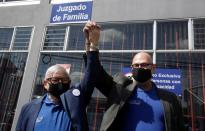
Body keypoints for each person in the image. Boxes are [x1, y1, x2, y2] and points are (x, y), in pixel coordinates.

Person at [83, 21, 185, 131]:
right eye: (136, 65)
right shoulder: (119, 90)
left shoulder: (170, 99)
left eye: (144, 65)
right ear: (132, 69)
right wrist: (92, 45)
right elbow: (95, 73)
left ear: (153, 68)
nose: (140, 68)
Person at [16, 21, 101, 131]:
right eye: (56, 80)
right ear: (46, 83)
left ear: (69, 82)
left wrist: (92, 44)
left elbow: (91, 73)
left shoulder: (76, 101)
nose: (61, 83)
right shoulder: (28, 108)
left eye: (64, 80)